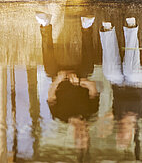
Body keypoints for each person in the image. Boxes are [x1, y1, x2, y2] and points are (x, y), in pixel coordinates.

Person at [36, 12, 99, 158]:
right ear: (87, 132)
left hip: (61, 79)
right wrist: (80, 81)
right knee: (88, 69)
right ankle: (86, 27)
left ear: (73, 137)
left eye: (78, 137)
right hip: (79, 78)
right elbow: (93, 88)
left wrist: (59, 78)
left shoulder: (60, 116)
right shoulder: (91, 112)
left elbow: (50, 96)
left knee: (49, 70)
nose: (80, 133)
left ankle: (45, 26)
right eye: (84, 136)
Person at [99, 17, 142, 157]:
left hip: (118, 83)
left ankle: (108, 29)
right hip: (136, 81)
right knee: (131, 72)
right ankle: (131, 28)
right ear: (130, 134)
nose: (120, 134)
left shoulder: (116, 116)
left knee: (110, 73)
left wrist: (102, 125)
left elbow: (102, 119)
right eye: (123, 137)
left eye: (118, 136)